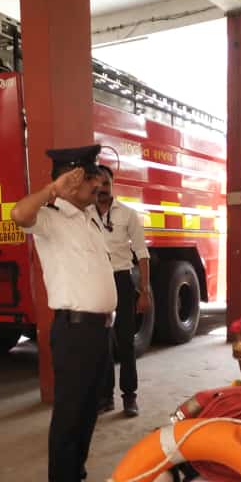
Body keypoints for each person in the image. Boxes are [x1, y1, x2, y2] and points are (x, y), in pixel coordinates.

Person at [10, 145, 116, 482]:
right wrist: (52, 190)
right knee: (71, 412)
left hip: (99, 331)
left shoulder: (89, 218)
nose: (96, 186)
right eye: (88, 179)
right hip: (75, 331)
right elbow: (18, 214)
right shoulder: (51, 218)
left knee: (88, 411)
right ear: (69, 181)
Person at [89, 165, 150, 418]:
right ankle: (105, 398)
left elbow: (142, 254)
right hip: (95, 282)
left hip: (121, 279)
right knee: (100, 343)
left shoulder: (127, 214)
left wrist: (144, 291)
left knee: (125, 341)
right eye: (98, 184)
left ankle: (129, 397)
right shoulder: (83, 215)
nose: (102, 189)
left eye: (106, 184)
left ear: (112, 185)